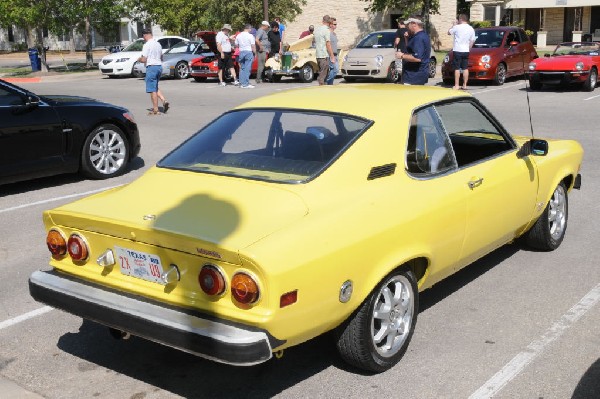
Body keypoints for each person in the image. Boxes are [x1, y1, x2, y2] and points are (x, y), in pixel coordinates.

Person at [138, 28, 169, 115]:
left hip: (151, 67)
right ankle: (164, 100)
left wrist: (139, 59)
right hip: (159, 67)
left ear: (144, 35)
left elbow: (144, 59)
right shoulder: (158, 44)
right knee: (155, 86)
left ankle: (156, 110)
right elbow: (162, 57)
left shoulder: (147, 45)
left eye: (143, 36)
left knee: (152, 89)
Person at [395, 16, 431, 85]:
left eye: (408, 24)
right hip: (416, 75)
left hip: (413, 76)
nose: (407, 27)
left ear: (414, 24)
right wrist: (406, 39)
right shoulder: (422, 35)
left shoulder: (418, 38)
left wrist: (402, 55)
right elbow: (410, 50)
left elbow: (417, 58)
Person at [448, 14, 475, 90]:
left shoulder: (457, 27)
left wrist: (453, 25)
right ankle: (465, 85)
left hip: (457, 49)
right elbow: (472, 40)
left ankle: (456, 85)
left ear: (461, 19)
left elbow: (449, 32)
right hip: (466, 50)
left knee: (457, 68)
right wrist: (468, 48)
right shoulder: (471, 28)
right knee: (465, 68)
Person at [314, 15, 336, 86]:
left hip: (318, 55)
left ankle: (324, 87)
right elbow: (328, 44)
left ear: (323, 21)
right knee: (323, 75)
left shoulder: (317, 30)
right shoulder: (326, 30)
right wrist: (332, 56)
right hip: (324, 55)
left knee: (323, 72)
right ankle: (322, 90)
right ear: (329, 22)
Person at [235, 24, 256, 89]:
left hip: (241, 52)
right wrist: (255, 53)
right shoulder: (250, 36)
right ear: (248, 28)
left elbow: (236, 45)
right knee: (247, 68)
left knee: (242, 68)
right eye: (250, 29)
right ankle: (246, 83)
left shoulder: (239, 35)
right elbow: (253, 45)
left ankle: (241, 83)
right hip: (248, 52)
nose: (251, 30)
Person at [393, 18, 409, 83]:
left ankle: (401, 79)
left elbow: (397, 41)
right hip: (408, 50)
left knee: (399, 66)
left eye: (398, 24)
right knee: (406, 65)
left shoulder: (399, 31)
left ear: (400, 24)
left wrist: (394, 45)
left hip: (400, 50)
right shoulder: (408, 30)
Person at [326, 18, 338, 85]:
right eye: (334, 24)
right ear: (330, 24)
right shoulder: (328, 34)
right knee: (335, 69)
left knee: (334, 70)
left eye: (336, 24)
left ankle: (330, 84)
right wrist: (331, 56)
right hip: (331, 55)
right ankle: (328, 83)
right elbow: (328, 45)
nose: (336, 25)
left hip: (335, 55)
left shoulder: (334, 34)